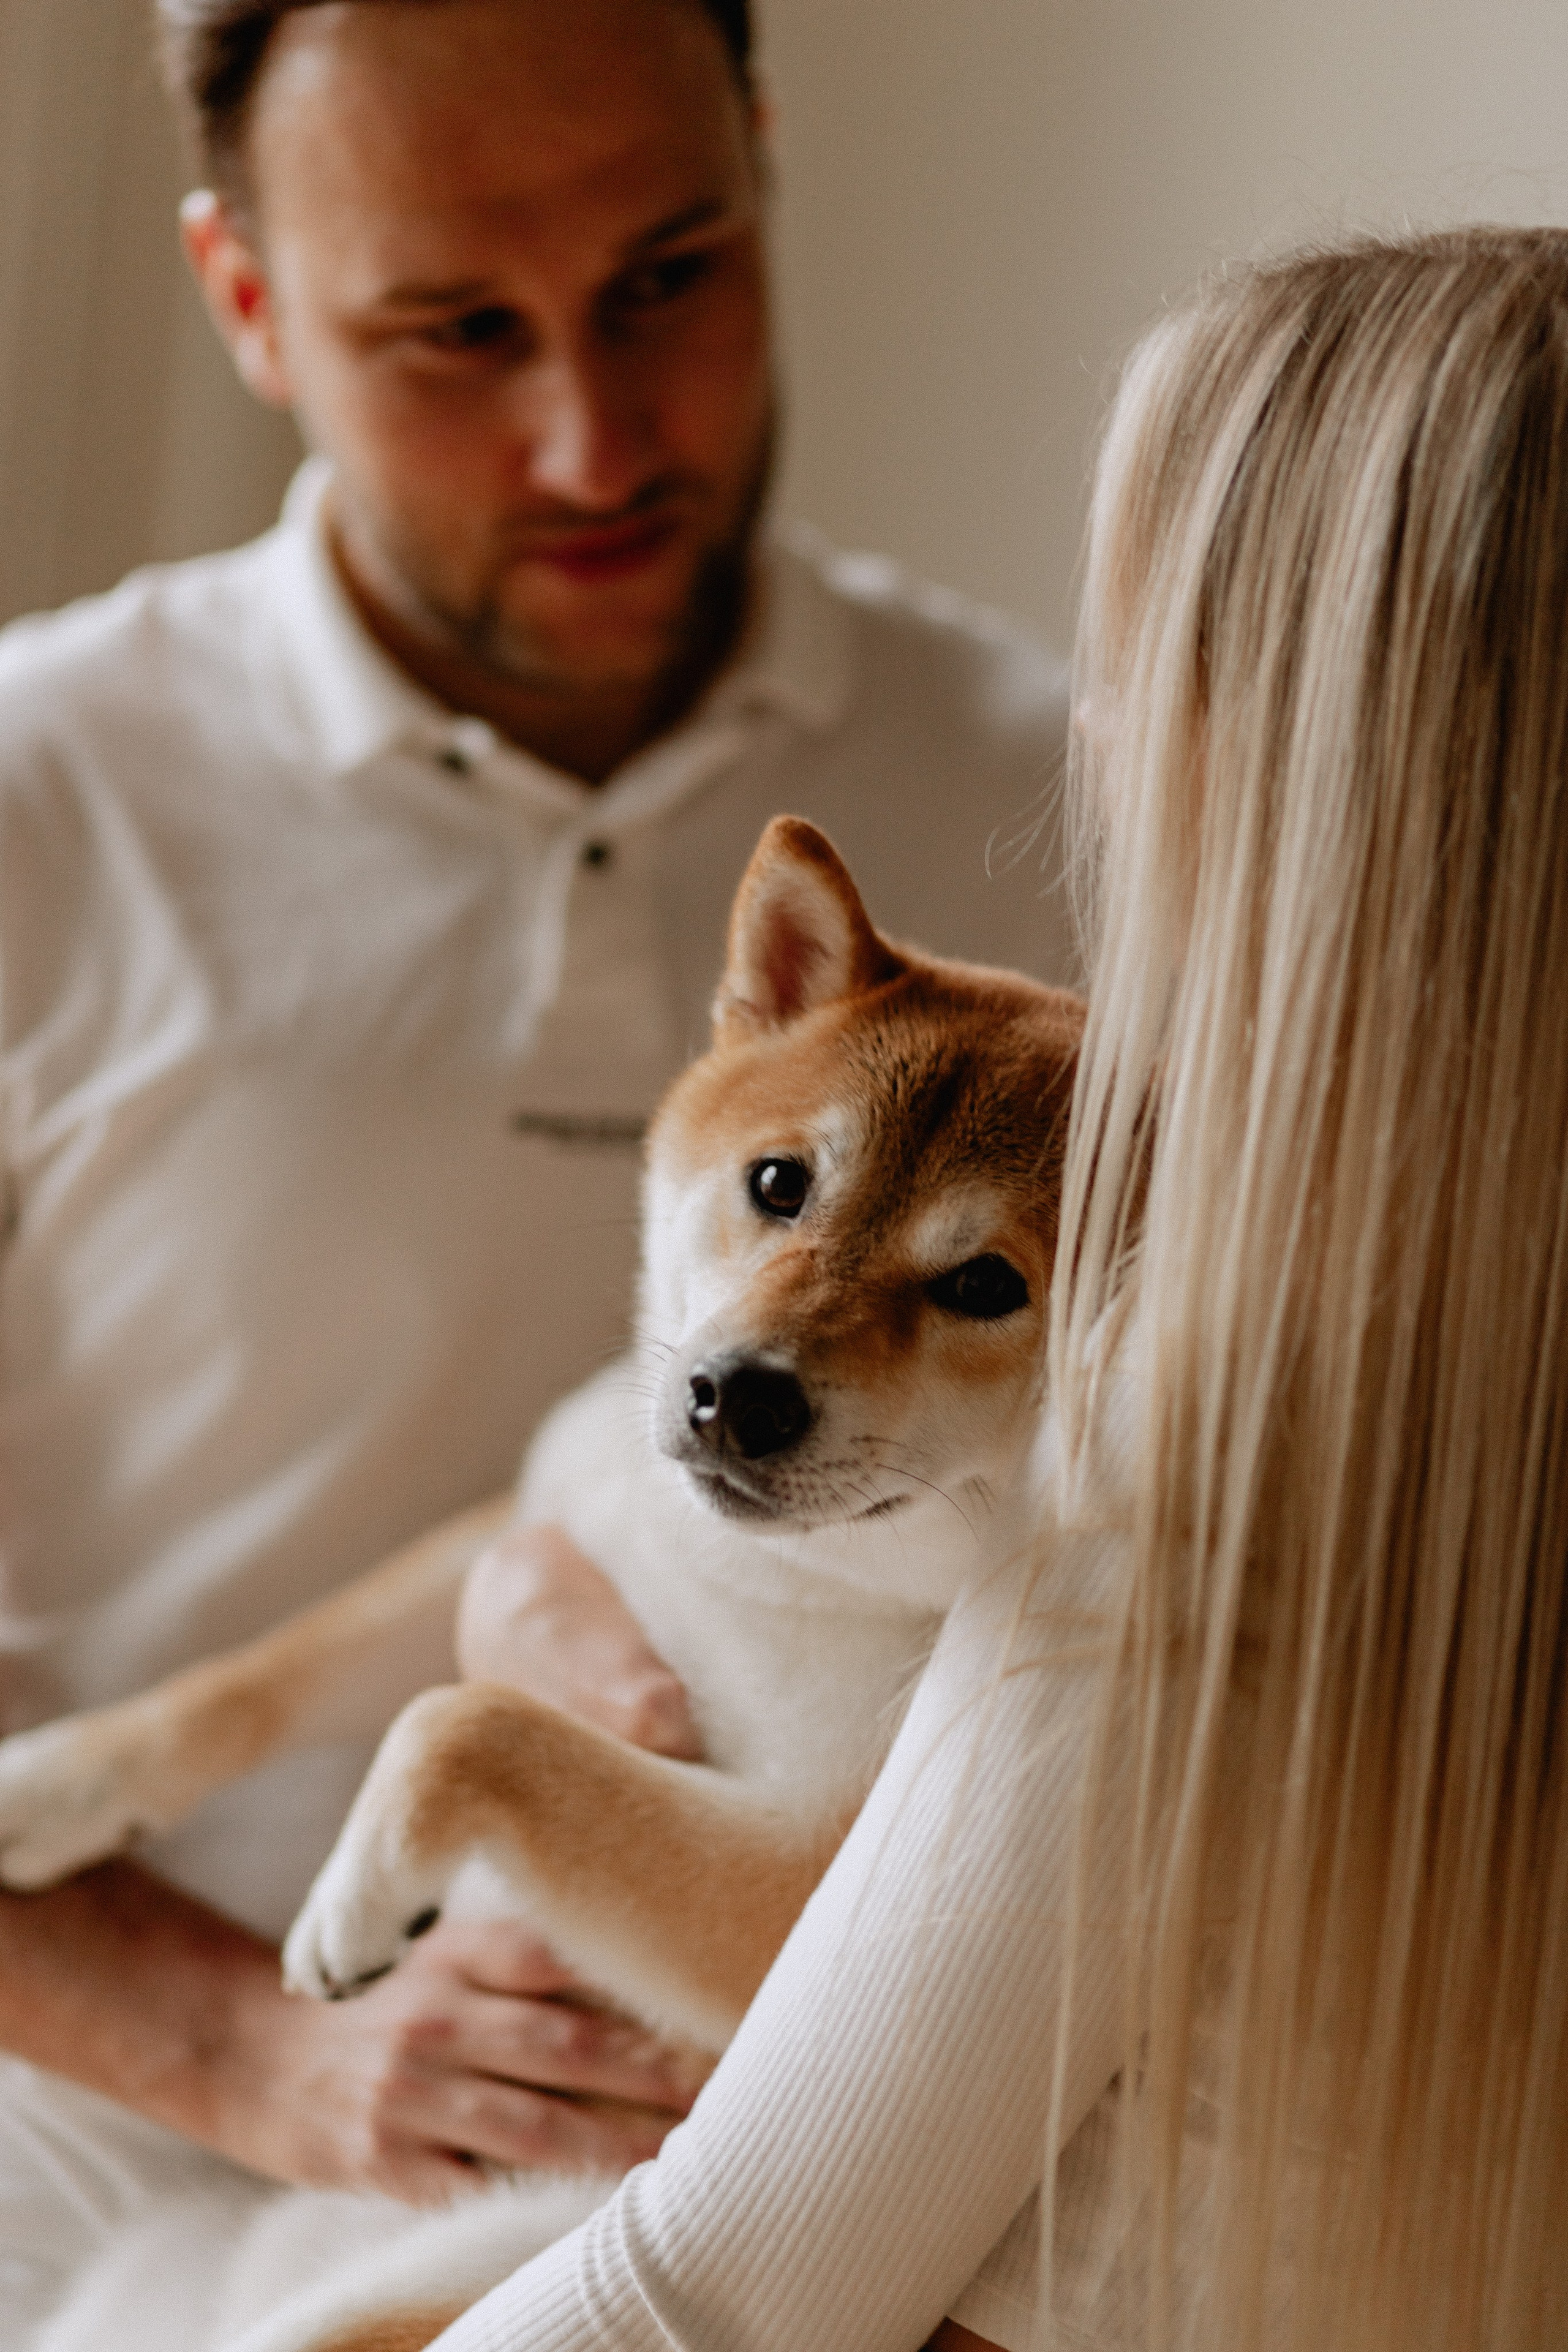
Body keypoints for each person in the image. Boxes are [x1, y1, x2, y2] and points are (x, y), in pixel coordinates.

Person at [0, 0, 1074, 2340]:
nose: (595, 433)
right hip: (101, 2199)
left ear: (767, 171)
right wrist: (271, 2056)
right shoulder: (37, 810)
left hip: (809, 2185)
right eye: (455, 329)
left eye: (671, 275)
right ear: (250, 303)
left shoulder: (1049, 788)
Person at [406, 226, 1568, 2352]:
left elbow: (713, 2298)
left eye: (1133, 657)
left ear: (1304, 775)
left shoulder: (1212, 1485)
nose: (1089, 731)